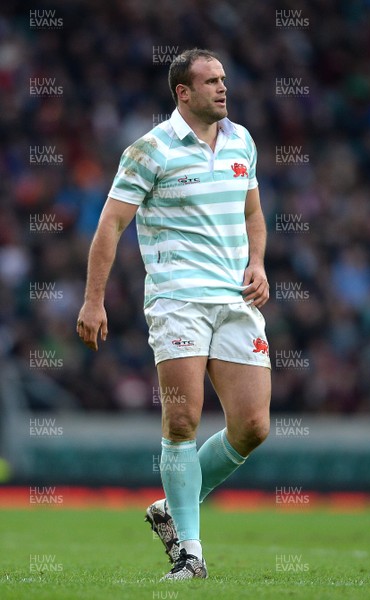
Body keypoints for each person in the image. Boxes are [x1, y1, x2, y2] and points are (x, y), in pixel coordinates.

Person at [76, 48, 271, 581]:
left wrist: (257, 262)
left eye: (224, 79)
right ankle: (191, 554)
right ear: (182, 92)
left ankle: (171, 504)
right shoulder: (149, 150)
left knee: (253, 427)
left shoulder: (242, 141)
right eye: (210, 81)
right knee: (181, 421)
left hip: (237, 300)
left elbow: (253, 212)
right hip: (177, 301)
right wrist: (94, 300)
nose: (222, 88)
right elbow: (110, 226)